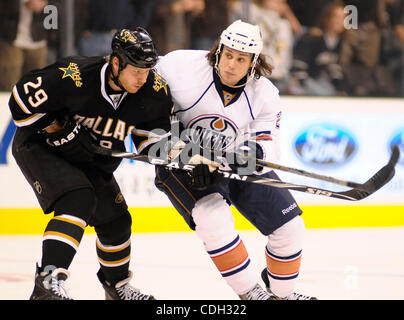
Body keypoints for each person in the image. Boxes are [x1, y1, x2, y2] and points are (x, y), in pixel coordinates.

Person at [153, 20, 316, 300]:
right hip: (183, 164)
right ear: (218, 51)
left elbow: (268, 144)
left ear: (253, 62)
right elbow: (139, 85)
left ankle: (283, 295)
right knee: (212, 218)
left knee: (291, 228)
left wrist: (251, 156)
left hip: (233, 164)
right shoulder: (180, 67)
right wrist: (183, 151)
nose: (231, 64)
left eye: (240, 59)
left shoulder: (265, 94)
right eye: (227, 54)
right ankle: (251, 294)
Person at [9, 28, 172, 300]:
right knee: (78, 199)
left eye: (147, 70)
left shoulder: (154, 92)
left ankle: (117, 288)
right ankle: (47, 285)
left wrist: (185, 158)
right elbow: (19, 100)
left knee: (117, 221)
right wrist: (56, 129)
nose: (143, 78)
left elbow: (152, 143)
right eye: (136, 71)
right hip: (40, 146)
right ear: (116, 62)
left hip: (90, 159)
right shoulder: (74, 75)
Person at [290, 1, 348, 96]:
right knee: (326, 93)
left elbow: (333, 68)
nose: (340, 22)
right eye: (336, 17)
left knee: (333, 93)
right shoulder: (313, 38)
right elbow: (298, 65)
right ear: (327, 19)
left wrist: (340, 87)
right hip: (302, 80)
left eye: (343, 18)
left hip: (318, 79)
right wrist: (301, 84)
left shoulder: (339, 41)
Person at [0, 0, 48, 91]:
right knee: (8, 82)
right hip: (10, 38)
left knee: (37, 84)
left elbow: (60, 5)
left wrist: (44, 3)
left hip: (38, 38)